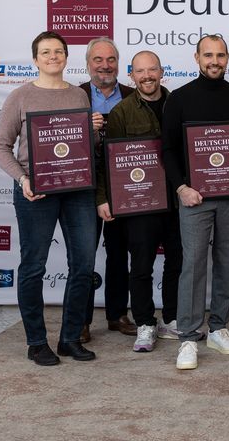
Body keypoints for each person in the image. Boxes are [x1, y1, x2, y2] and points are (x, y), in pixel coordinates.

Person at [0, 31, 102, 365]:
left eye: (58, 51)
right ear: (35, 59)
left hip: (77, 190)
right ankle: (37, 342)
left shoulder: (79, 95)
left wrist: (94, 131)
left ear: (66, 57)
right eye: (46, 52)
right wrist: (23, 178)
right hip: (36, 191)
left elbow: (82, 147)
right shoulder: (20, 96)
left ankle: (70, 338)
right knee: (33, 266)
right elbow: (1, 148)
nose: (53, 56)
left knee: (83, 265)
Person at [161, 34, 229, 370]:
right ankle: (188, 336)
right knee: (192, 264)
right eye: (208, 55)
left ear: (227, 58)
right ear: (197, 58)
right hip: (194, 197)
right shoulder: (179, 99)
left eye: (220, 55)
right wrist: (181, 187)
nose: (214, 61)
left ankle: (218, 327)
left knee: (225, 261)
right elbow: (168, 149)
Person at [95, 51, 183, 353]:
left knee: (177, 262)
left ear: (161, 71)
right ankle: (145, 322)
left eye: (152, 70)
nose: (147, 76)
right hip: (140, 203)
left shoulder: (177, 104)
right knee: (141, 265)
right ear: (131, 75)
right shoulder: (121, 112)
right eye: (140, 71)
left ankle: (171, 318)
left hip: (177, 199)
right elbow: (108, 161)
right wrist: (103, 198)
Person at [79, 37, 135, 340]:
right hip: (84, 187)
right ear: (88, 63)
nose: (105, 65)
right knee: (84, 254)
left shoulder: (132, 95)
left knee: (118, 252)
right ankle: (81, 320)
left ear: (118, 63)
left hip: (123, 185)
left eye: (111, 59)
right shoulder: (74, 96)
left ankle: (117, 314)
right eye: (98, 59)